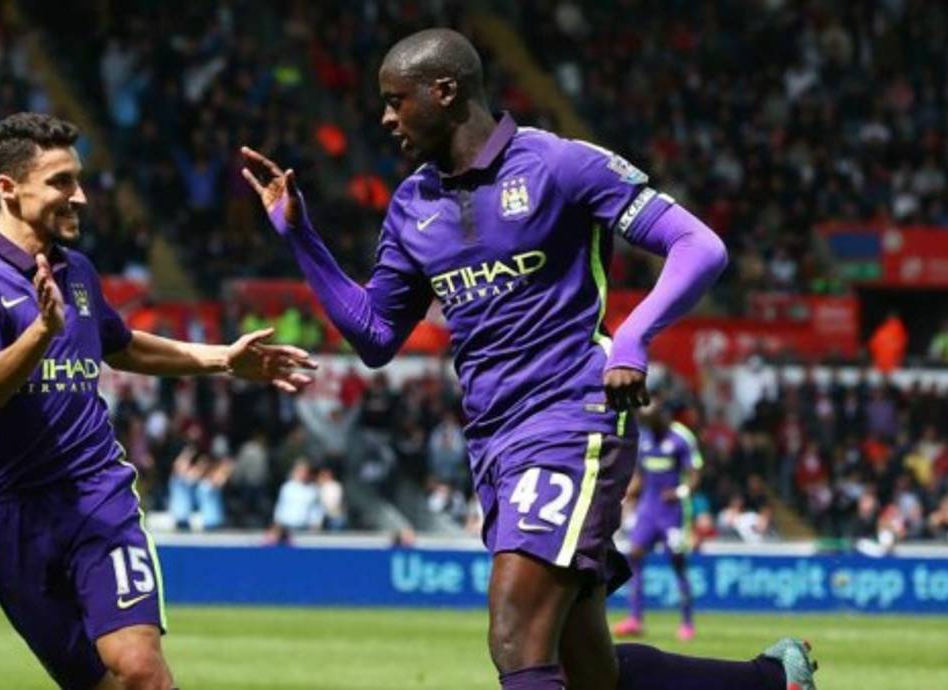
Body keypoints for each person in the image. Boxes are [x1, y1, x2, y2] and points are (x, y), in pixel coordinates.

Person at [242, 27, 816, 690]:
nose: (386, 117)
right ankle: (773, 682)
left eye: (397, 100)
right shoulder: (412, 205)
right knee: (587, 674)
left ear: (445, 91)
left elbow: (699, 247)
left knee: (514, 634)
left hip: (572, 416)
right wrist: (301, 237)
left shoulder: (561, 165)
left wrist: (632, 338)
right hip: (493, 440)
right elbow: (374, 335)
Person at [0, 112, 316, 690]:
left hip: (96, 496)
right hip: (10, 513)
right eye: (61, 181)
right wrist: (40, 331)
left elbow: (120, 345)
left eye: (79, 180)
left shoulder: (78, 271)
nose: (80, 197)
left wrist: (222, 360)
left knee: (140, 671)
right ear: (8, 188)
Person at [613, 399, 702, 641]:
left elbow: (695, 474)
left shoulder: (681, 438)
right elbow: (641, 476)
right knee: (635, 554)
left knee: (677, 562)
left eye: (649, 420)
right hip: (648, 509)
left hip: (673, 512)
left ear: (662, 417)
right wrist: (626, 495)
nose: (646, 424)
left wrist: (680, 492)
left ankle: (687, 622)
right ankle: (635, 618)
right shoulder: (645, 437)